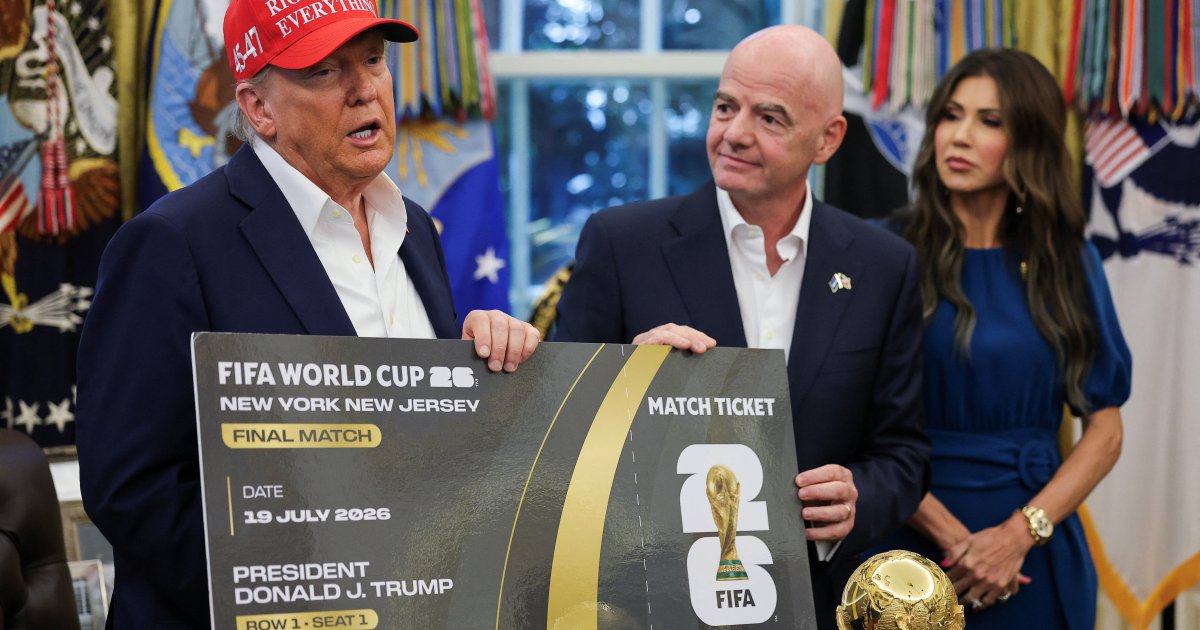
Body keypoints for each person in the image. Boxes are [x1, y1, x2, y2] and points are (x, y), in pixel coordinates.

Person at [74, 2, 540, 626]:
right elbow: (132, 490)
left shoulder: (414, 228)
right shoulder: (171, 243)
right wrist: (307, 594)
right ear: (258, 108)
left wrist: (481, 374)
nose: (364, 89)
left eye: (373, 60)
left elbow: (419, 453)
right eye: (324, 71)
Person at [554, 25, 931, 628]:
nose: (734, 133)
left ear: (829, 139)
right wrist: (624, 379)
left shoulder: (884, 266)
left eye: (770, 118)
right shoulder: (622, 244)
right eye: (726, 106)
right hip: (652, 601)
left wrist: (857, 498)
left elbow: (903, 454)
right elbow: (556, 438)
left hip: (817, 602)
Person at [872, 48, 1131, 630]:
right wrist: (960, 544)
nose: (959, 136)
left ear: (1029, 142)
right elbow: (851, 419)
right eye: (951, 115)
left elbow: (1106, 431)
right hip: (906, 544)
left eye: (989, 122)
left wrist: (1017, 536)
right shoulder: (881, 251)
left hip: (1033, 552)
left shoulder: (1068, 261)